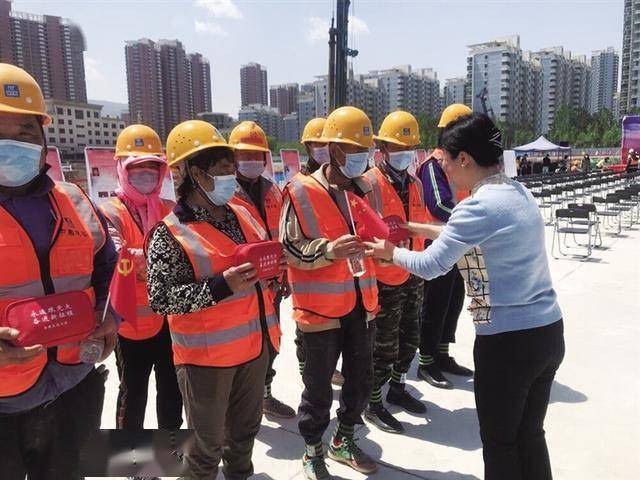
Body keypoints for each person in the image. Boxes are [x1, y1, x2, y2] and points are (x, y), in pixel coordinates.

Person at [366, 113, 565, 480]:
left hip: (508, 344)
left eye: (444, 161)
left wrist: (389, 252)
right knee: (530, 434)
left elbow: (430, 264)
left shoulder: (478, 206)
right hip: (547, 333)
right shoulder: (515, 192)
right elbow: (461, 229)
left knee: (501, 443)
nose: (442, 169)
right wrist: (413, 226)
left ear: (464, 160)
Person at [0, 63, 118, 479]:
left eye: (24, 132)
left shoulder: (73, 199)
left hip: (73, 386)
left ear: (42, 137)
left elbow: (107, 268)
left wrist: (109, 318)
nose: (11, 144)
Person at [146, 120, 283, 479]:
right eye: (222, 170)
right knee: (205, 450)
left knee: (244, 438)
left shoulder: (242, 213)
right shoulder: (169, 233)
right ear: (195, 173)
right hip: (206, 362)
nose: (230, 177)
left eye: (231, 168)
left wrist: (273, 269)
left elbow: (257, 262)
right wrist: (221, 286)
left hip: (253, 351)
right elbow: (161, 298)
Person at [281, 106, 379, 479]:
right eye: (355, 150)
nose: (361, 158)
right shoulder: (300, 190)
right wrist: (328, 250)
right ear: (334, 150)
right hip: (321, 311)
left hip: (362, 303)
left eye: (364, 151)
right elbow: (289, 247)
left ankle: (345, 439)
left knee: (360, 380)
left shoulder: (366, 188)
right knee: (318, 389)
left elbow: (378, 237)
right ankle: (312, 450)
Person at [99, 124, 183, 431]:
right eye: (137, 167)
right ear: (122, 168)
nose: (146, 174)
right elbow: (116, 260)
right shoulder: (109, 211)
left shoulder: (171, 208)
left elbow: (188, 252)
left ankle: (170, 455)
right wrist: (162, 260)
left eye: (152, 167)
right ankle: (133, 465)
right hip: (128, 324)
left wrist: (142, 260)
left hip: (171, 321)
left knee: (172, 392)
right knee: (133, 394)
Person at [358, 110, 427, 434]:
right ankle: (373, 402)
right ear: (382, 149)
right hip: (382, 277)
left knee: (410, 337)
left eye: (409, 148)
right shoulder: (367, 183)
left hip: (412, 271)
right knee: (383, 346)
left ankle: (398, 388)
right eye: (398, 148)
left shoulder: (414, 183)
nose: (404, 154)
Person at [228, 120, 296, 419]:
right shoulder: (222, 193)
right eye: (245, 155)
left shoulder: (272, 190)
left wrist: (285, 275)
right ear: (233, 157)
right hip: (238, 286)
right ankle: (238, 402)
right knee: (239, 349)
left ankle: (265, 394)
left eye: (257, 156)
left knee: (271, 342)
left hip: (271, 284)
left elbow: (282, 235)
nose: (252, 161)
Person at [416, 104, 474, 391]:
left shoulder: (463, 163)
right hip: (436, 245)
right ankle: (426, 360)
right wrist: (474, 219)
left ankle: (442, 353)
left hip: (458, 243)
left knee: (453, 302)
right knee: (435, 304)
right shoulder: (433, 165)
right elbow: (438, 205)